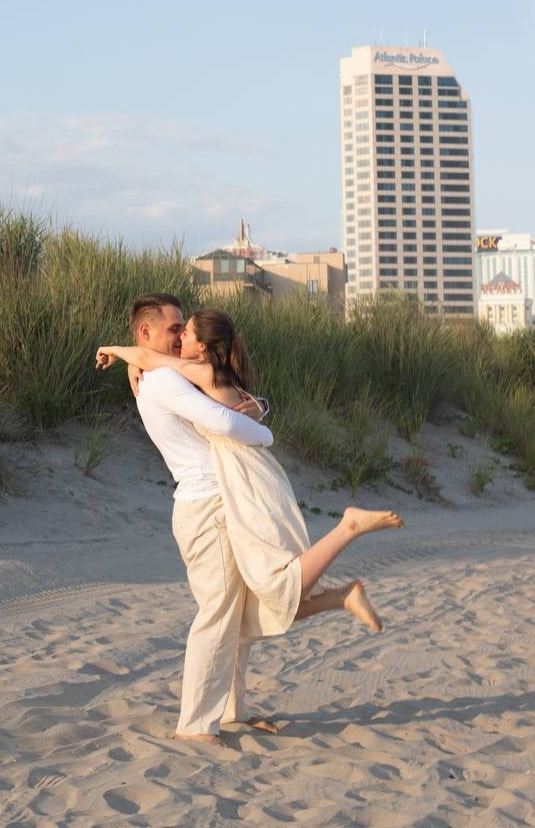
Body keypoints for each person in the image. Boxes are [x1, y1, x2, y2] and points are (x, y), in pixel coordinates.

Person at [96, 298, 404, 743]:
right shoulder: (162, 380)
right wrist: (265, 430)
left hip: (225, 500)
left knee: (240, 614)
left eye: (185, 330)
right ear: (145, 334)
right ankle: (196, 723)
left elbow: (231, 398)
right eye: (173, 329)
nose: (180, 336)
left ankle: (231, 713)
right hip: (208, 506)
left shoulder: (164, 372)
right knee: (218, 614)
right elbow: (224, 422)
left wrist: (258, 406)